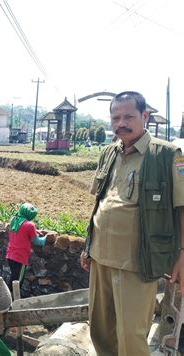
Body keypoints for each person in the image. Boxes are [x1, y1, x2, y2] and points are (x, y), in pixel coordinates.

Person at [80, 91, 184, 355]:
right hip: (100, 257)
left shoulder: (168, 155)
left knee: (131, 337)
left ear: (144, 116)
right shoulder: (108, 153)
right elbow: (100, 204)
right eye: (115, 117)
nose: (120, 123)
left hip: (138, 262)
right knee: (100, 331)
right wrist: (87, 245)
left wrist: (182, 254)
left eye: (128, 116)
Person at [6, 203, 46, 292]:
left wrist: (35, 232)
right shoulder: (29, 225)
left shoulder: (14, 220)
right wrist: (46, 238)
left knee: (13, 278)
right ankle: (11, 302)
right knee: (18, 282)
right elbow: (37, 242)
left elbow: (20, 232)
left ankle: (6, 298)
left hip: (10, 255)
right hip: (20, 257)